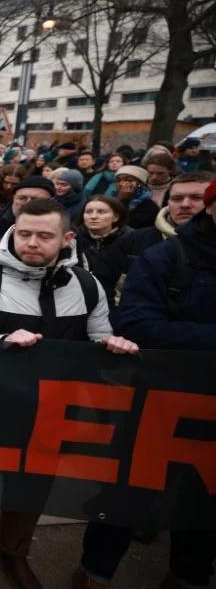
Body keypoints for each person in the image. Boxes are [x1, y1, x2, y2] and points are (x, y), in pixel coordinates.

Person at [0, 198, 138, 589]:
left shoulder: (86, 284)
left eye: (44, 236)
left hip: (51, 409)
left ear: (66, 238)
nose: (32, 242)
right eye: (24, 233)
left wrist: (113, 347)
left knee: (33, 483)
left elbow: (98, 337)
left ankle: (13, 551)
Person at [78, 180, 216, 589]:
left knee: (205, 498)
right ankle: (94, 571)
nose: (186, 204)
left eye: (194, 196)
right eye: (180, 198)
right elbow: (137, 324)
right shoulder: (165, 257)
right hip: (160, 399)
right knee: (129, 493)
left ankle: (189, 575)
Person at [121, 171, 214, 256]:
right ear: (168, 202)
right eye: (177, 198)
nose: (185, 205)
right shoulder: (134, 240)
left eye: (197, 198)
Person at [77, 195, 131, 309]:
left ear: (116, 217)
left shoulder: (131, 240)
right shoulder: (73, 239)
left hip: (118, 305)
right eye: (88, 212)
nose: (93, 216)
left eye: (101, 212)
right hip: (80, 303)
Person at [110, 165, 159, 229]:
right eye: (118, 180)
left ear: (140, 184)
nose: (122, 183)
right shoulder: (111, 201)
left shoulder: (148, 206)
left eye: (129, 180)